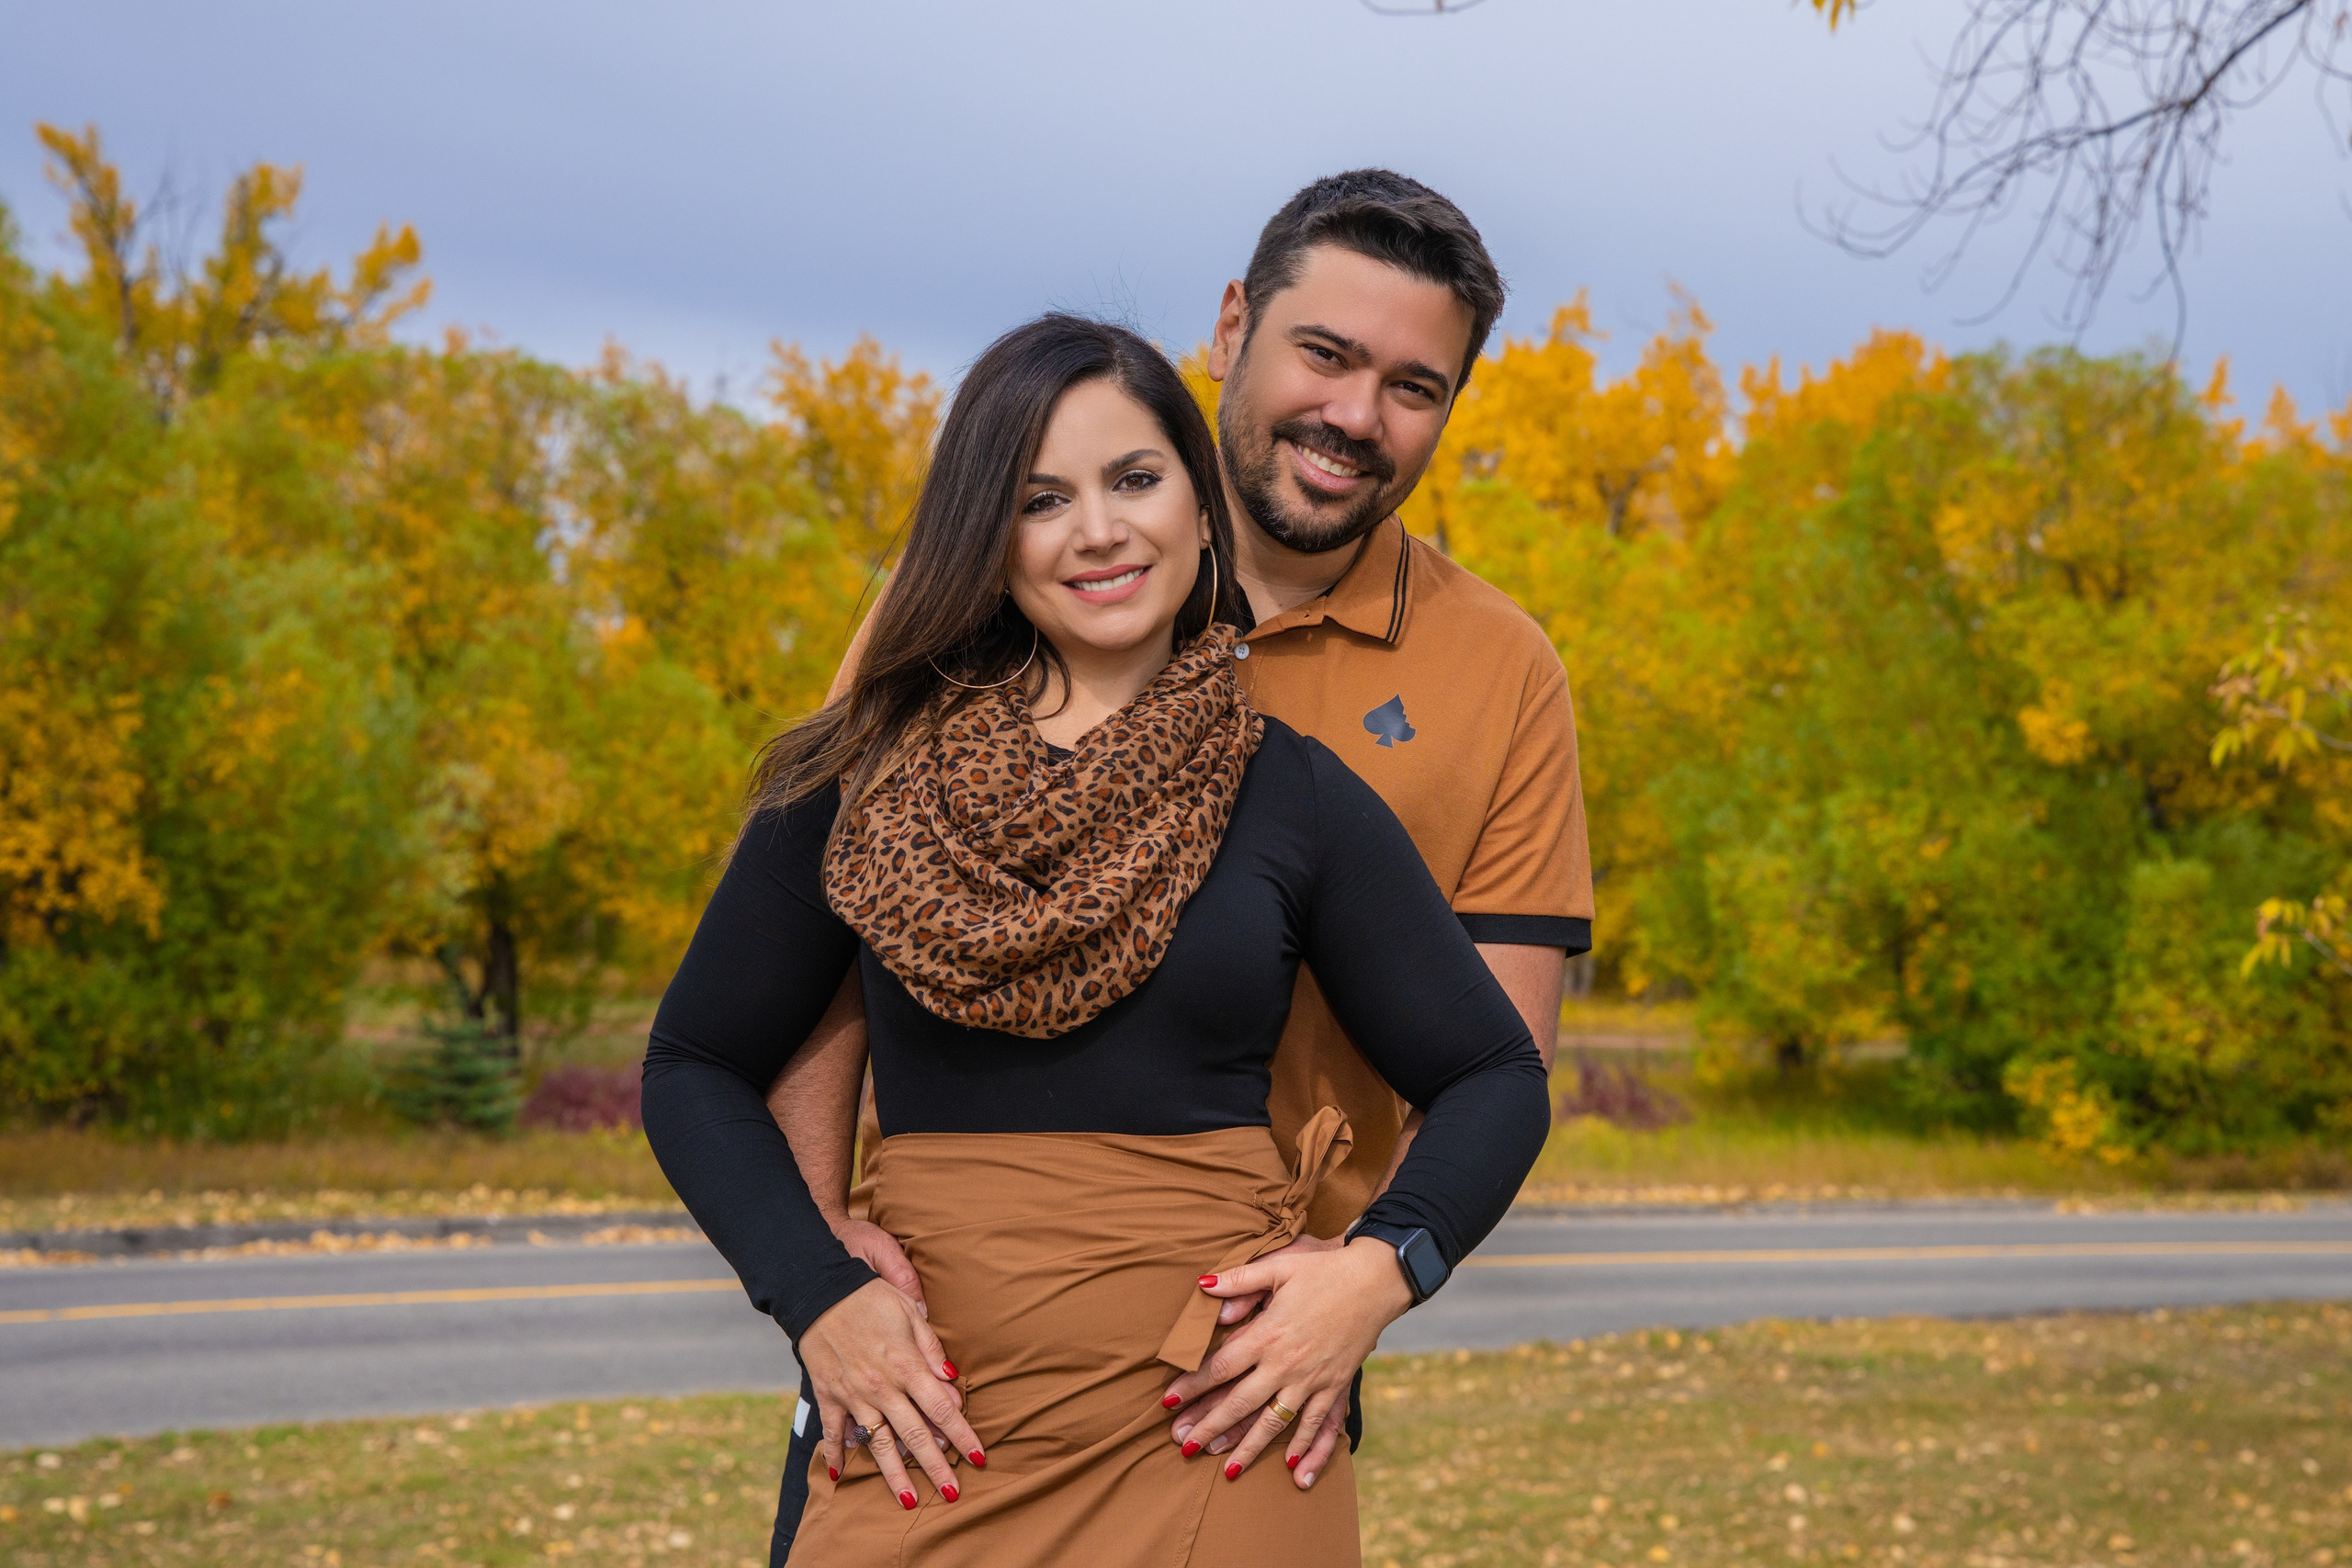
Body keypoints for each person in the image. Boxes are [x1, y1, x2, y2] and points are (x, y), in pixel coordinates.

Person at [764, 169, 1594, 1558]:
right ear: (1230, 328)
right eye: (1324, 353)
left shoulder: (1502, 673)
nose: (1353, 415)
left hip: (1244, 1374)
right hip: (940, 1355)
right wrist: (817, 1273)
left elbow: (1501, 1054)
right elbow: (828, 972)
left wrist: (1375, 1280)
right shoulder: (965, 611)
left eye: (1413, 385)